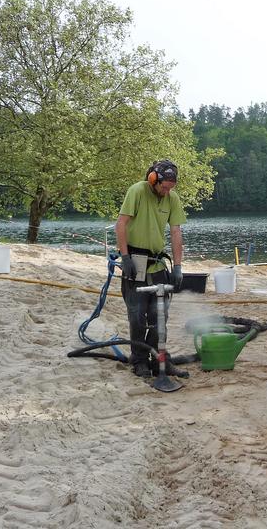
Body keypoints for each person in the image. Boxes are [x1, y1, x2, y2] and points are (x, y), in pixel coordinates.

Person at [116, 159, 187, 377]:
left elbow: (176, 232)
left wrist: (177, 266)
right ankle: (140, 361)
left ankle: (158, 360)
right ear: (153, 179)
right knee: (137, 314)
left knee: (160, 314)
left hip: (157, 263)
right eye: (164, 187)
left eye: (171, 188)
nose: (167, 191)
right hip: (135, 258)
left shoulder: (172, 198)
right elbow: (121, 224)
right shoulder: (137, 191)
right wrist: (125, 257)